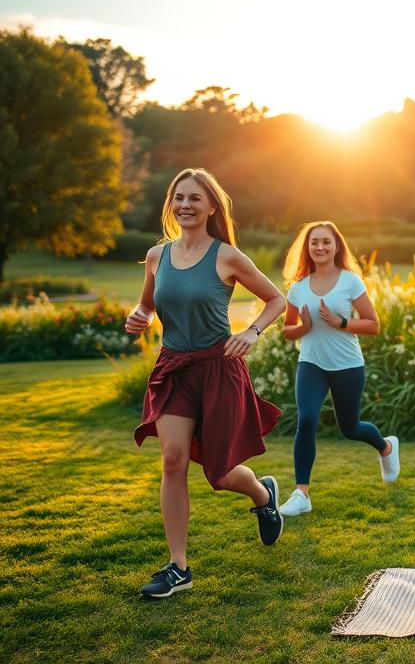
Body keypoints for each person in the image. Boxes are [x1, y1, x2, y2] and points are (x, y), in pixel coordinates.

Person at [128, 168, 287, 598]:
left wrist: (251, 332)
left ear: (212, 206)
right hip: (174, 369)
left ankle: (261, 493)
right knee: (173, 460)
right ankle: (178, 567)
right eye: (178, 197)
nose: (185, 205)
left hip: (219, 369)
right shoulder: (157, 256)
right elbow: (145, 306)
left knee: (220, 475)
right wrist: (139, 317)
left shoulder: (227, 256)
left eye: (195, 198)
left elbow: (277, 299)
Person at [276, 221, 398, 517]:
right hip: (311, 364)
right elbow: (287, 330)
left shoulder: (350, 282)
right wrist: (303, 326)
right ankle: (301, 493)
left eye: (326, 242)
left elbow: (373, 324)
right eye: (314, 242)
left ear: (336, 247)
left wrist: (341, 323)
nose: (319, 247)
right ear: (307, 248)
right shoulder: (298, 288)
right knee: (306, 420)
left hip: (347, 365)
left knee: (350, 428)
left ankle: (386, 448)